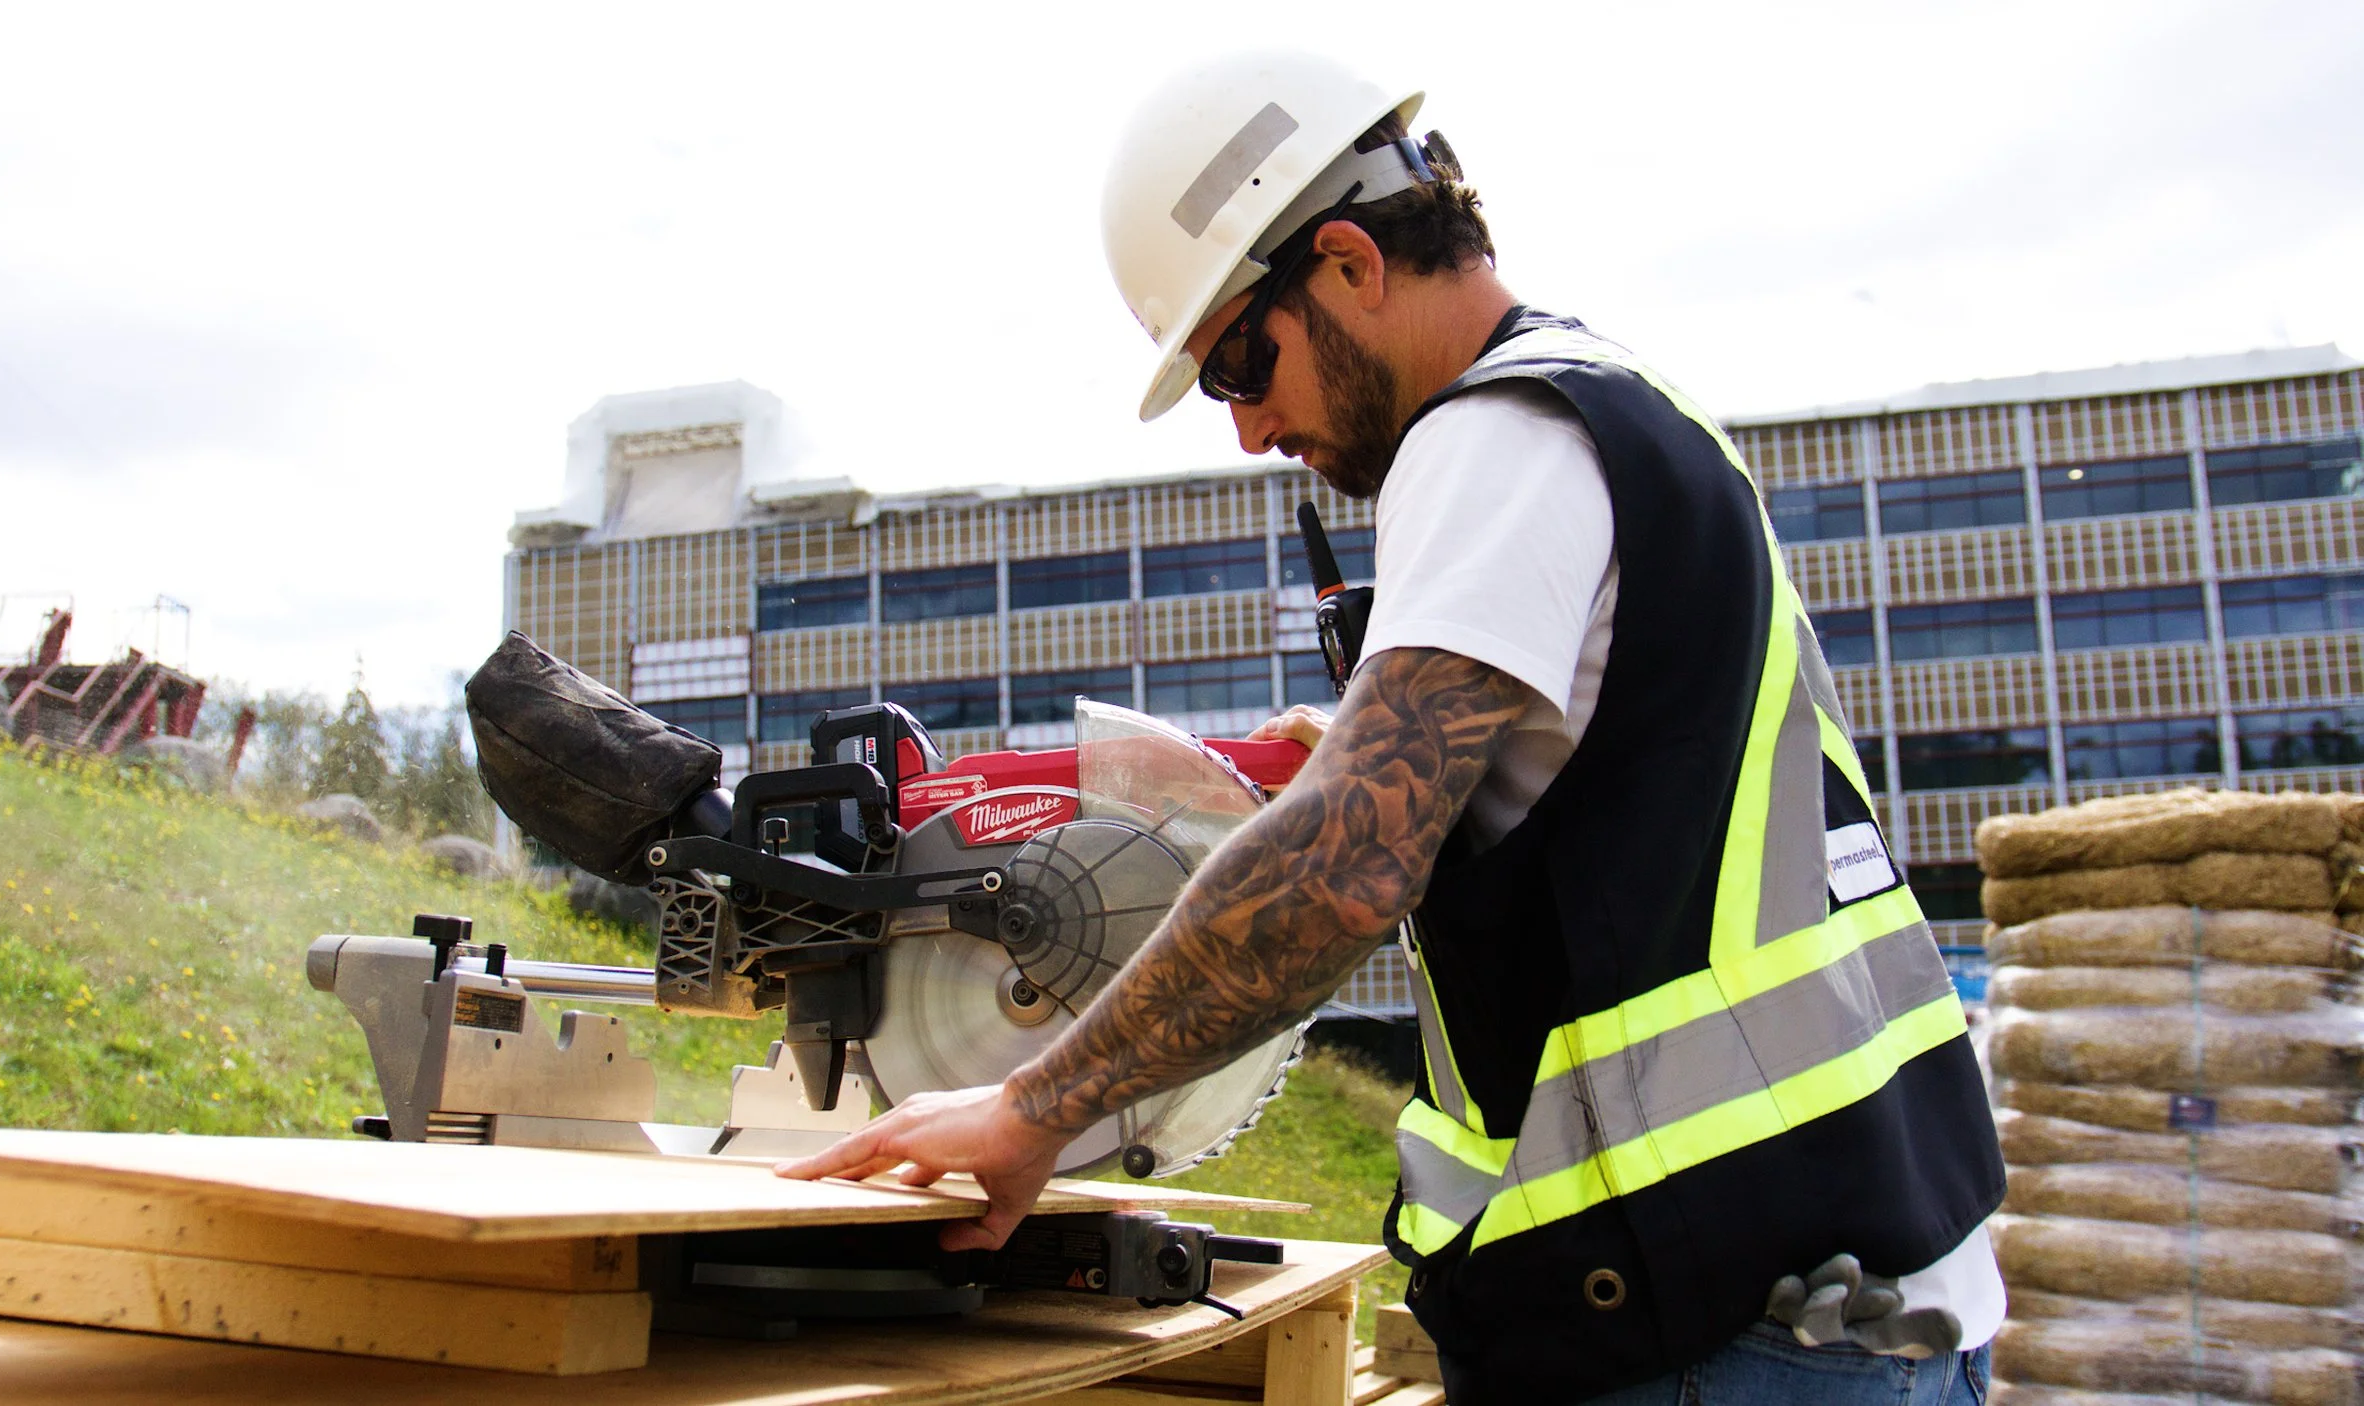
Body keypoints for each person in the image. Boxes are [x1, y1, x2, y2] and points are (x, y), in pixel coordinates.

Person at [782, 50, 2006, 1404]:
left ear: (1353, 263)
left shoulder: (1492, 437)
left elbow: (1345, 864)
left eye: (1241, 358)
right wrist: (1389, 746)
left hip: (1720, 1324)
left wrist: (1030, 1110)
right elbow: (1637, 798)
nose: (1247, 427)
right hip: (1857, 1284)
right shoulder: (1618, 407)